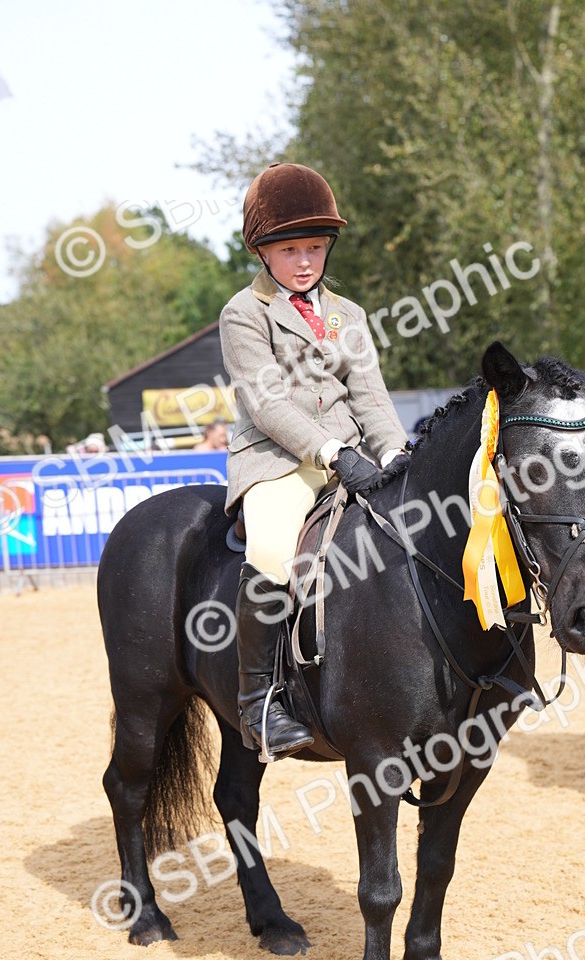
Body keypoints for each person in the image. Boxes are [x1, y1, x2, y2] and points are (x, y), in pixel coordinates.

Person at [219, 161, 408, 759]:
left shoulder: (347, 315)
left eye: (315, 248)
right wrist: (331, 452)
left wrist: (397, 456)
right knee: (274, 553)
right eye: (291, 249)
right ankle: (258, 705)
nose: (305, 261)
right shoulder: (243, 314)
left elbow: (371, 397)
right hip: (276, 461)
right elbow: (267, 402)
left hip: (350, 452)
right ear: (263, 252)